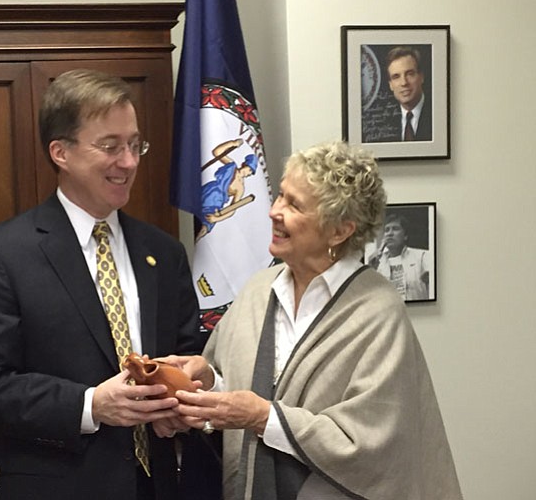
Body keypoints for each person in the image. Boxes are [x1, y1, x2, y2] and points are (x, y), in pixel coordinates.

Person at [0, 69, 204, 500]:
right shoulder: (2, 253)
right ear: (60, 153)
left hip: (160, 485)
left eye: (134, 144)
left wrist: (187, 393)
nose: (128, 161)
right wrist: (89, 406)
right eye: (110, 146)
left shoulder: (163, 251)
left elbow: (188, 353)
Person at [163, 141, 463, 499]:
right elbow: (239, 390)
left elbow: (372, 442)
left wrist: (262, 417)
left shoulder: (376, 311)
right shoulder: (259, 290)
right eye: (280, 197)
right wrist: (207, 382)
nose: (274, 211)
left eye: (294, 205)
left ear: (339, 231)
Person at [369, 213, 432, 301]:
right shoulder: (377, 262)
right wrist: (370, 268)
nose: (389, 233)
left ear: (405, 236)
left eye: (395, 229)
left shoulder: (422, 256)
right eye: (387, 230)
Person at [385, 46, 432, 141]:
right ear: (390, 85)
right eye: (396, 77)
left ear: (421, 77)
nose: (404, 83)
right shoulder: (385, 122)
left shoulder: (436, 114)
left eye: (410, 74)